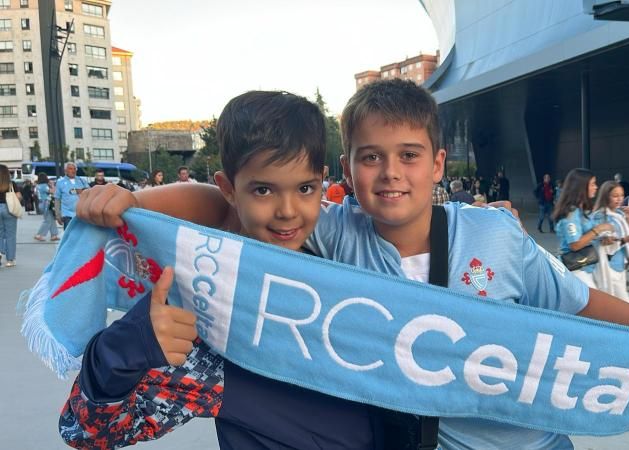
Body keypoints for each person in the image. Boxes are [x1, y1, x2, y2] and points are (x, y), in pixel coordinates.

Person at [76, 80, 629, 450]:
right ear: (347, 173)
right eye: (370, 157)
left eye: (408, 156)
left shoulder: (494, 236)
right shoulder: (331, 236)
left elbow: (581, 308)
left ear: (437, 164)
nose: (390, 173)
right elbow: (226, 204)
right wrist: (131, 203)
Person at [60, 91, 384, 449]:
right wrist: (123, 350)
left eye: (305, 188)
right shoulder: (211, 306)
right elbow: (87, 431)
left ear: (322, 179)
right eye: (263, 190)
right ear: (228, 189)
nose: (288, 211)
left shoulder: (351, 260)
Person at [553, 168, 614, 288]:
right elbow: (575, 244)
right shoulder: (571, 213)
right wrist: (598, 229)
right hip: (575, 269)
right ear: (580, 187)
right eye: (592, 184)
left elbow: (585, 236)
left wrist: (600, 237)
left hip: (586, 266)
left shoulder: (581, 210)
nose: (596, 187)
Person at [590, 181, 629, 302]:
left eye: (621, 195)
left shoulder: (619, 213)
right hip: (608, 267)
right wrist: (627, 239)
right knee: (622, 307)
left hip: (619, 266)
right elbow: (605, 244)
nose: (619, 199)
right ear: (605, 196)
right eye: (615, 196)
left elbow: (624, 235)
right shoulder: (600, 216)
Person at [54, 162, 89, 230]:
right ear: (65, 170)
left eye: (74, 169)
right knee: (69, 235)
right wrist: (58, 215)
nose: (73, 171)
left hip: (81, 214)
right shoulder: (60, 182)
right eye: (70, 169)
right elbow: (57, 199)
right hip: (67, 214)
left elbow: (89, 192)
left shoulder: (82, 181)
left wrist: (81, 191)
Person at [0, 164, 22, 267]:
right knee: (10, 235)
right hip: (9, 209)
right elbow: (19, 197)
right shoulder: (11, 184)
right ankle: (10, 260)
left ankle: (0, 251)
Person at [34, 173, 59, 242]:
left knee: (51, 219)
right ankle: (39, 235)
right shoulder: (44, 186)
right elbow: (53, 192)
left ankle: (54, 235)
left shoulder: (37, 186)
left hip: (41, 203)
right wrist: (52, 185)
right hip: (46, 203)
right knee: (47, 220)